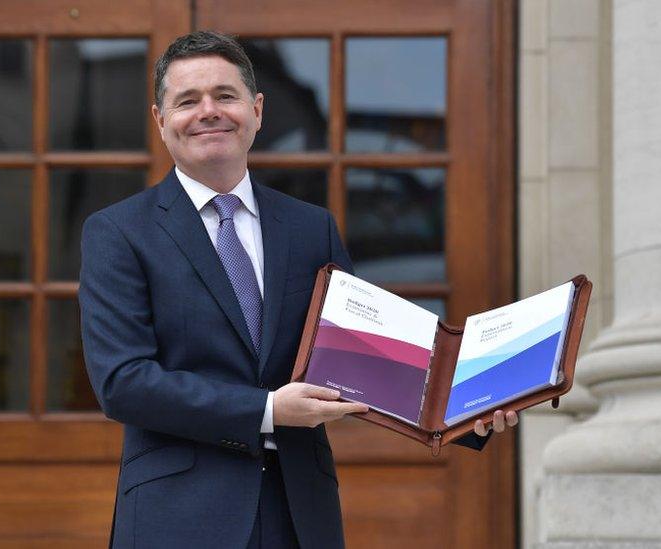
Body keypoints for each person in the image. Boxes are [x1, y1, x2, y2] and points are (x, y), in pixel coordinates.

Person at [78, 30, 518, 549]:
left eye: (225, 96)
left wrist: (467, 413)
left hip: (299, 514)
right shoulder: (118, 232)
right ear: (160, 120)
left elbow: (367, 358)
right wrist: (266, 411)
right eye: (187, 101)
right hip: (178, 517)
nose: (208, 112)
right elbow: (123, 382)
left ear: (256, 110)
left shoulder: (311, 228)